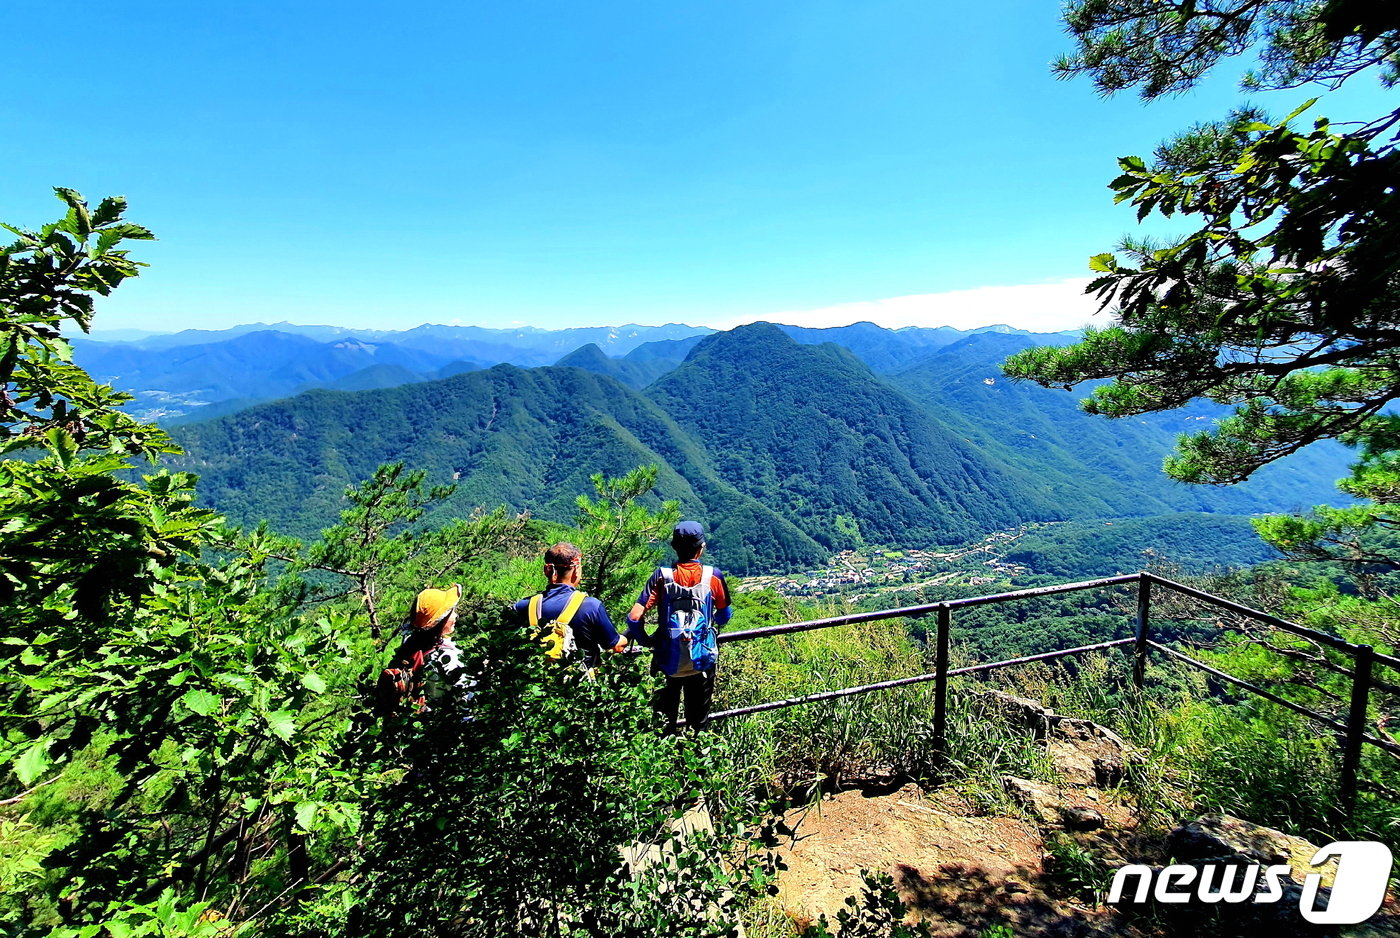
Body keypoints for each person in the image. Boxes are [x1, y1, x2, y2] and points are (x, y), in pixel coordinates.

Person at [625, 521, 731, 733]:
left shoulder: (662, 577)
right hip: (701, 660)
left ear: (674, 546)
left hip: (667, 659)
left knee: (663, 722)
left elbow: (634, 617)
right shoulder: (713, 576)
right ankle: (697, 762)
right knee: (698, 723)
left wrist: (647, 641)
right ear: (701, 548)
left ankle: (665, 763)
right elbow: (724, 616)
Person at [511, 541, 627, 671]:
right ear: (576, 569)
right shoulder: (591, 606)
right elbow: (615, 646)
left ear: (546, 570)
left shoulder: (523, 606)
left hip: (533, 684)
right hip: (578, 687)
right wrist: (628, 635)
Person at [377, 583, 476, 717]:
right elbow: (463, 699)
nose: (456, 616)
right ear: (441, 621)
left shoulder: (411, 643)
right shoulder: (445, 657)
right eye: (452, 612)